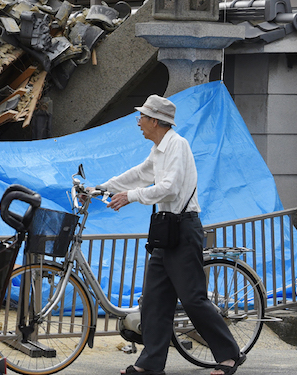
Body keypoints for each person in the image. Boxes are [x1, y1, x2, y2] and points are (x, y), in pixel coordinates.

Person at [93, 95, 246, 375]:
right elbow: (140, 173)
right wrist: (104, 187)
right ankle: (151, 364)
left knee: (192, 298)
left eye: (142, 117)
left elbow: (170, 188)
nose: (138, 122)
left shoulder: (177, 145)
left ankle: (229, 356)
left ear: (155, 121)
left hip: (183, 229)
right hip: (165, 230)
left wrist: (131, 197)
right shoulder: (159, 148)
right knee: (154, 299)